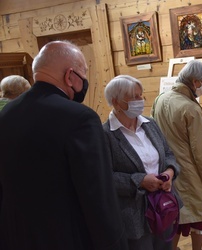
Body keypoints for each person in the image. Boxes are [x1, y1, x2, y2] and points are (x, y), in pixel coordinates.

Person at [0, 40, 128, 250]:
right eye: (84, 73)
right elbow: (97, 196)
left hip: (16, 235)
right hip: (67, 237)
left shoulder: (7, 114)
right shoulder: (80, 118)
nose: (85, 80)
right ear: (70, 76)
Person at [103, 75, 181, 250]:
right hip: (133, 213)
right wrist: (140, 181)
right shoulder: (104, 135)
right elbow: (105, 177)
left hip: (163, 205)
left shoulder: (150, 124)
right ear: (116, 102)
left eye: (141, 95)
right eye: (134, 97)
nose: (141, 100)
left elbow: (168, 154)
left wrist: (169, 172)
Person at [151, 60, 202, 250]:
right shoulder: (190, 108)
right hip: (191, 175)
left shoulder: (160, 99)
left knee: (174, 217)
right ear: (195, 81)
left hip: (168, 170)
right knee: (198, 219)